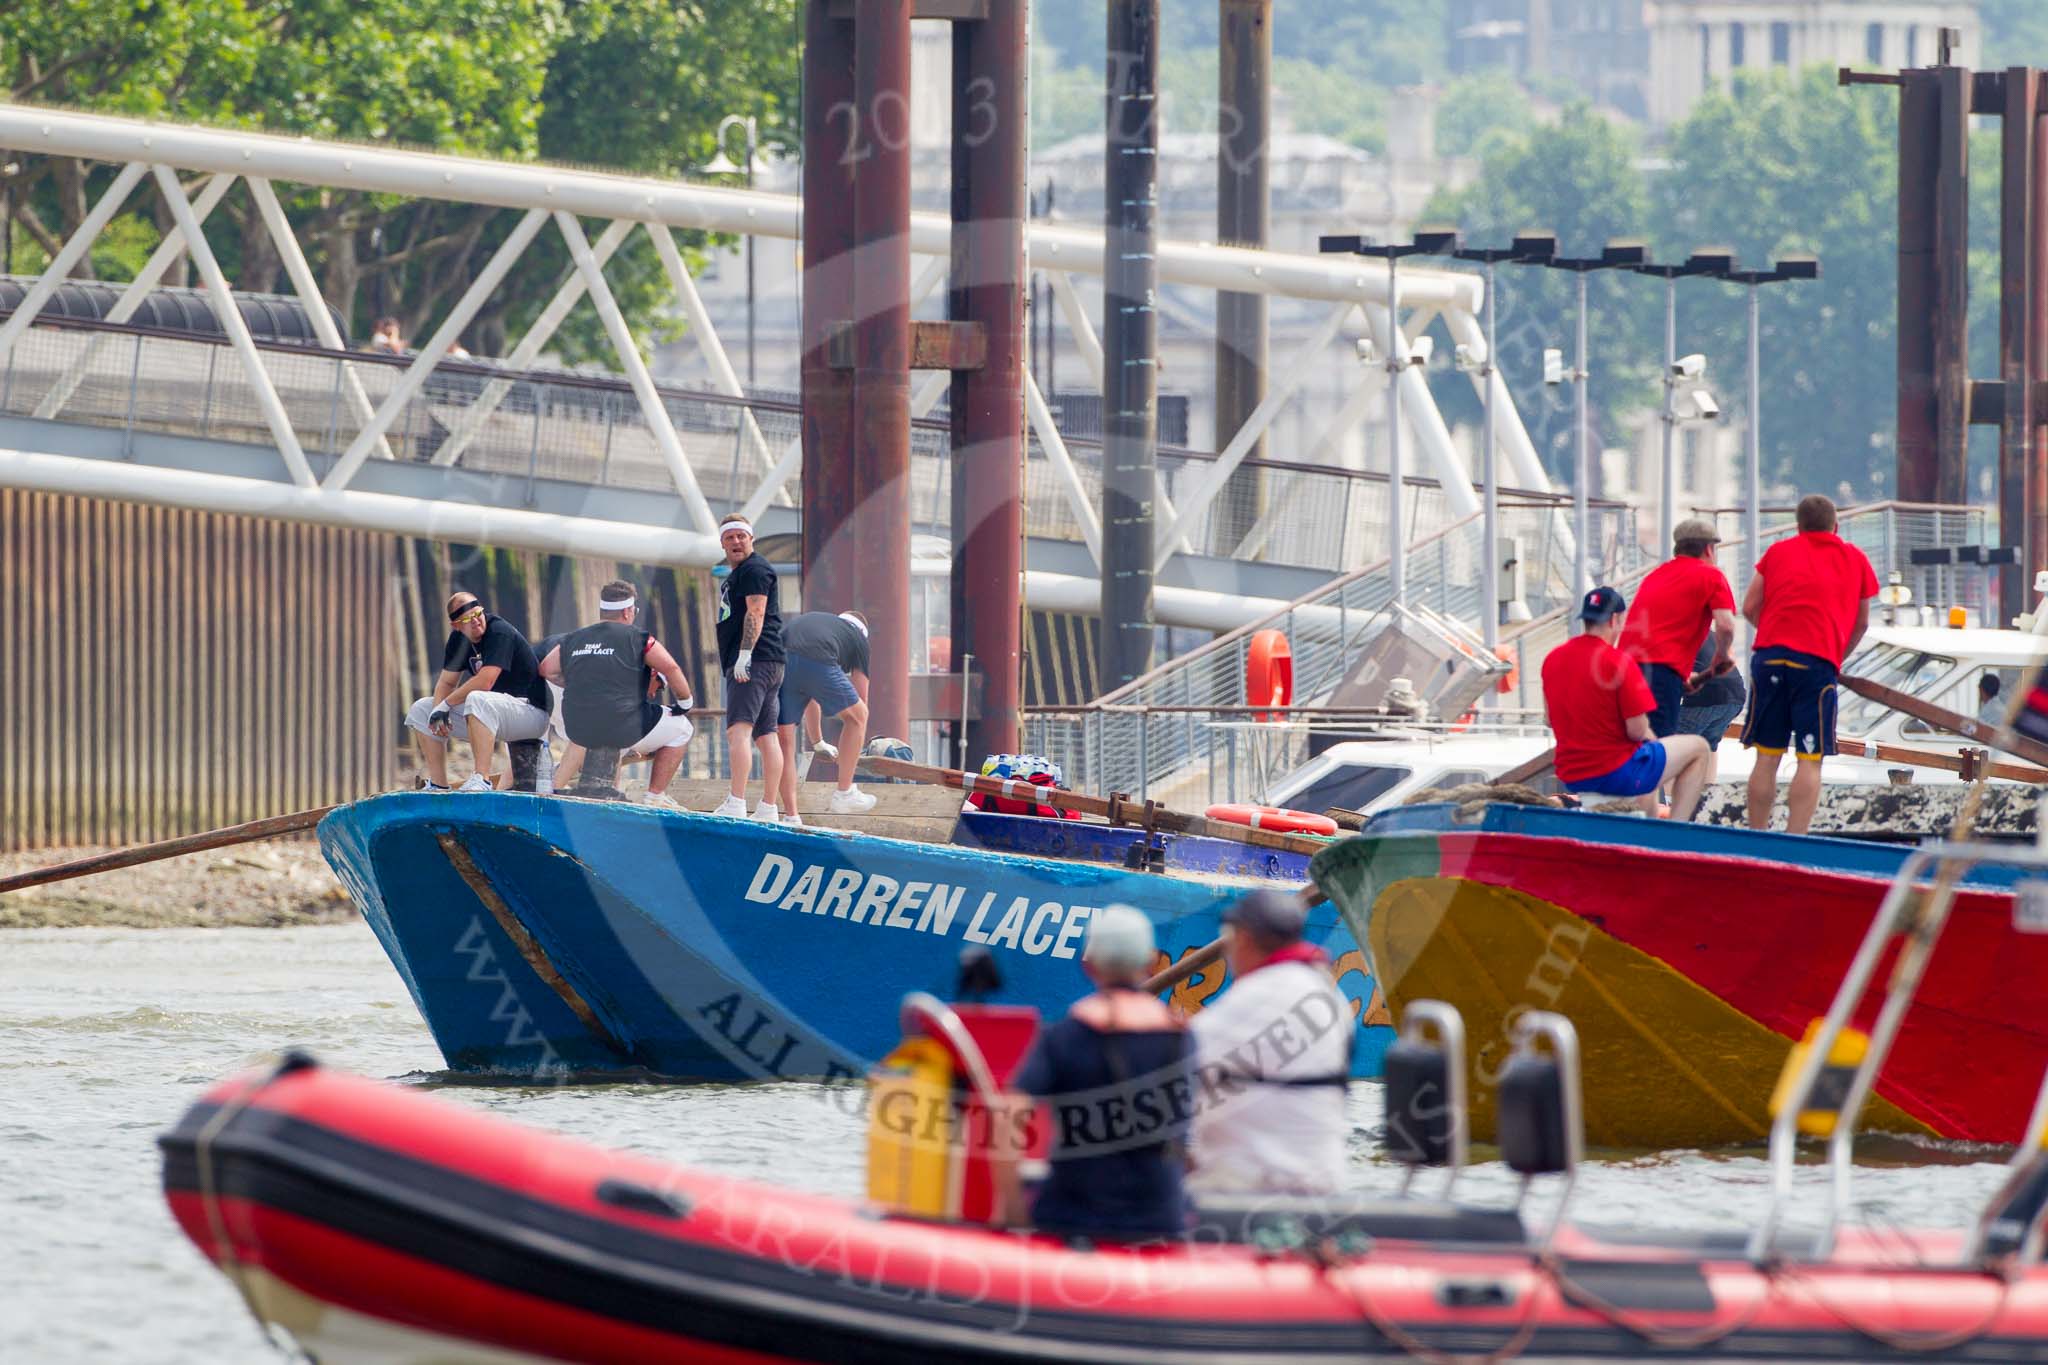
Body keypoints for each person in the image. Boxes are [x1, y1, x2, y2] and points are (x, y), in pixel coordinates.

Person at [1001, 905, 1193, 1241]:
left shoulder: (1064, 1034)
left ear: (1087, 966)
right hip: (1159, 1217)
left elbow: (1009, 1116)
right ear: (1150, 964)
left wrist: (1013, 1209)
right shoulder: (1181, 1038)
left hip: (1072, 1216)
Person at [1185, 888, 1350, 1196]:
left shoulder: (1247, 1001)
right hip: (1326, 1184)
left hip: (1254, 1189)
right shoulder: (1331, 996)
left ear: (1244, 939)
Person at [1741, 494, 1880, 834]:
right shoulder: (1855, 558)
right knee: (1809, 756)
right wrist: (1836, 656)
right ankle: (1795, 838)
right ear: (1836, 525)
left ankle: (1757, 836)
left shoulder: (1777, 552)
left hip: (1770, 658)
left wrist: (1777, 633)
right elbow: (1862, 622)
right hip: (1816, 663)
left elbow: (1748, 607)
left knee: (1767, 755)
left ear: (1799, 525)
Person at [1541, 586, 1713, 820]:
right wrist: (1659, 748)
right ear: (1615, 619)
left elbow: (1550, 719)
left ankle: (1647, 831)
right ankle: (1677, 831)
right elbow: (1637, 731)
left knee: (1651, 775)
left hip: (1572, 773)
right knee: (1699, 748)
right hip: (1614, 772)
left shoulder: (1553, 659)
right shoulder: (1619, 662)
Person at [539, 580, 696, 808]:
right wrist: (685, 702)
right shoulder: (638, 637)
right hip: (620, 725)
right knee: (683, 728)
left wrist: (576, 683)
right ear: (627, 611)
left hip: (578, 728)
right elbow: (670, 668)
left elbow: (546, 669)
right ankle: (655, 797)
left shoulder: (574, 638)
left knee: (613, 735)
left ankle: (608, 797)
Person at [403, 593, 553, 791]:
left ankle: (481, 779)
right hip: (493, 715)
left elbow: (486, 680)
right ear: (456, 625)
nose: (475, 621)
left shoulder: (499, 631)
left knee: (477, 698)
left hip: (532, 713)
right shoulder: (458, 641)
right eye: (467, 619)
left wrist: (446, 705)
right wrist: (438, 711)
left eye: (478, 614)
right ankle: (439, 785)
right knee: (421, 708)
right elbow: (447, 682)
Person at [1619, 518, 1738, 737]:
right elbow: (1726, 625)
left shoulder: (1655, 576)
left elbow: (1654, 634)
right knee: (1661, 747)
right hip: (1660, 673)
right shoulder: (1710, 575)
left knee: (1633, 742)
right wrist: (1721, 656)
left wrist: (1681, 675)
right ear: (1710, 549)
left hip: (1625, 670)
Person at [712, 514, 786, 820]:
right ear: (722, 543)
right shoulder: (740, 573)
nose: (736, 542)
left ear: (751, 539)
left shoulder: (754, 569)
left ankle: (736, 802)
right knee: (766, 735)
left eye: (742, 536)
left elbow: (756, 611)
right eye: (730, 538)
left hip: (754, 661)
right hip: (769, 662)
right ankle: (768, 807)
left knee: (737, 732)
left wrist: (744, 655)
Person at [772, 610, 878, 823]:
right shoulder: (858, 638)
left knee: (785, 740)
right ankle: (845, 793)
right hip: (814, 657)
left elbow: (812, 693)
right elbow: (861, 701)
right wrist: (853, 744)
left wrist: (818, 742)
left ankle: (791, 815)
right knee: (859, 716)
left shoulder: (823, 624)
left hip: (778, 659)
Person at [1676, 631, 1746, 785]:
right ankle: (1708, 798)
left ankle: (1667, 801)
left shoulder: (1677, 633)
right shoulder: (1708, 632)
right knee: (1710, 745)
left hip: (1706, 695)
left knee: (1673, 748)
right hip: (1735, 695)